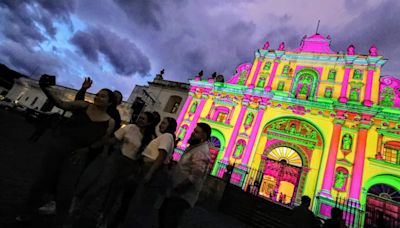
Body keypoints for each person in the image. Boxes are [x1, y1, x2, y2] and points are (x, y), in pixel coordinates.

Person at [17, 75, 115, 225]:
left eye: (103, 96)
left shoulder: (110, 121)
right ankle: (27, 212)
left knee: (66, 189)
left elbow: (102, 140)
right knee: (43, 180)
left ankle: (61, 220)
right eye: (97, 94)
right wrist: (46, 88)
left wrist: (87, 149)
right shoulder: (83, 105)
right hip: (60, 146)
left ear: (110, 102)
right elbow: (61, 103)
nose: (98, 97)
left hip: (77, 155)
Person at [68, 112, 157, 228]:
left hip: (130, 164)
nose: (140, 120)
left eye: (143, 119)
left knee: (115, 192)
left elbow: (144, 155)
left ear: (149, 122)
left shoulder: (149, 138)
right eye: (140, 117)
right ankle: (80, 208)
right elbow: (114, 139)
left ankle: (103, 216)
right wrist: (102, 141)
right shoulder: (130, 127)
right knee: (101, 184)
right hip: (117, 158)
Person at [120, 117, 177, 228]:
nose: (161, 125)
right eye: (161, 123)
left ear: (170, 126)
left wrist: (150, 173)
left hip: (153, 171)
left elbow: (161, 155)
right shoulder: (165, 137)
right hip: (150, 169)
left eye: (164, 123)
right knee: (140, 202)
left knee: (141, 203)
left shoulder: (167, 136)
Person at [158, 123, 212, 228]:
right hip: (176, 192)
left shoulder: (202, 152)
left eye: (196, 132)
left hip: (182, 195)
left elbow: (195, 176)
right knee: (164, 215)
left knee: (168, 220)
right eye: (193, 131)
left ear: (204, 136)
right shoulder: (195, 148)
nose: (192, 133)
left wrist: (179, 187)